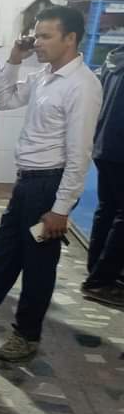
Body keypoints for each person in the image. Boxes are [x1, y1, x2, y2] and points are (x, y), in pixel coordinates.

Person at [0, 5, 102, 362]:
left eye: (46, 36)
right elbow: (3, 99)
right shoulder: (45, 76)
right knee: (5, 253)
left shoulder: (82, 86)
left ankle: (27, 335)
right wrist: (15, 58)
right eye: (36, 35)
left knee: (38, 265)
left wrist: (61, 208)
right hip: (28, 183)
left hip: (49, 186)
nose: (38, 42)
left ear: (70, 38)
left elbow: (79, 153)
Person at [82, 44, 124, 307]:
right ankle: (102, 281)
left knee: (107, 208)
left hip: (104, 146)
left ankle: (96, 271)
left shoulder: (114, 59)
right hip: (120, 149)